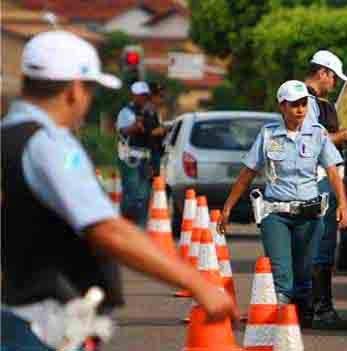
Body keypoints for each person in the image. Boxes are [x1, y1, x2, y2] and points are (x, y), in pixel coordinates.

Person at [1, 30, 238, 351]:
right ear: (74, 90)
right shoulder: (48, 145)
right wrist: (197, 283)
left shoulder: (8, 136)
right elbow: (108, 230)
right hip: (41, 324)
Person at [218, 80, 347, 328]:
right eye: (294, 105)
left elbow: (332, 171)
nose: (300, 109)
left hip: (309, 215)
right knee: (283, 278)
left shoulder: (318, 133)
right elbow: (247, 173)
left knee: (303, 277)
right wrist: (227, 208)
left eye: (303, 104)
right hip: (276, 215)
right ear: (282, 106)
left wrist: (343, 204)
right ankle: (280, 322)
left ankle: (298, 319)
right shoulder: (269, 134)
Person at [304, 50, 347, 330]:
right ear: (323, 73)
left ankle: (311, 309)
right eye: (334, 78)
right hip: (318, 182)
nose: (334, 84)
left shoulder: (318, 103)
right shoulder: (305, 102)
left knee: (319, 247)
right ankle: (321, 310)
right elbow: (313, 141)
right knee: (322, 248)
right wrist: (346, 135)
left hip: (323, 180)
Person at [116, 81, 157, 227]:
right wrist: (136, 126)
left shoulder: (151, 112)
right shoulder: (126, 112)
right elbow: (123, 131)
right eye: (140, 95)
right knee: (132, 193)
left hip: (145, 158)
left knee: (144, 195)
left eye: (145, 95)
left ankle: (141, 228)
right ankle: (126, 224)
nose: (143, 98)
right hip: (130, 159)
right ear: (134, 96)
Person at [145, 81, 168, 178]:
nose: (161, 99)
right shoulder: (145, 110)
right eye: (160, 96)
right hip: (149, 152)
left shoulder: (155, 110)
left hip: (156, 150)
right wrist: (159, 130)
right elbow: (145, 131)